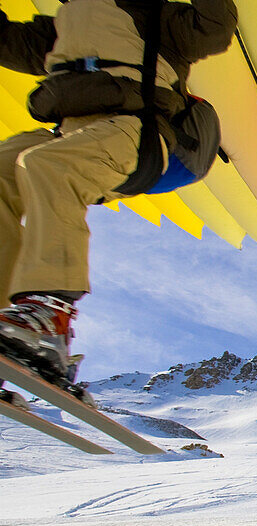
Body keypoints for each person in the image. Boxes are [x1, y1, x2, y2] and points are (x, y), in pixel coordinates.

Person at [0, 0, 237, 385]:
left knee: (48, 166)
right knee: (8, 168)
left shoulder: (156, 16)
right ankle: (12, 324)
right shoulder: (64, 24)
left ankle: (50, 315)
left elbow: (214, 26)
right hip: (70, 132)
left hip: (135, 131)